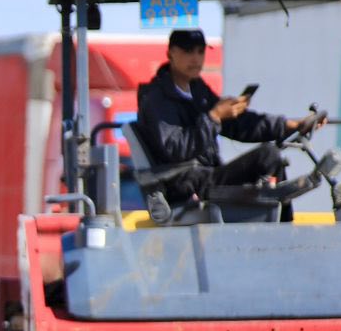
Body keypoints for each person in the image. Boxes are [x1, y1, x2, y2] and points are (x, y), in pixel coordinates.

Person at [136, 28, 319, 209]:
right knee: (267, 155)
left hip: (206, 176)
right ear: (171, 53)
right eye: (188, 51)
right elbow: (175, 149)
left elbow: (238, 125)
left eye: (200, 51)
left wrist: (290, 126)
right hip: (182, 183)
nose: (196, 58)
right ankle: (281, 230)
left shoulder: (197, 90)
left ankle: (283, 227)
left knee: (270, 158)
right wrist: (214, 117)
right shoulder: (156, 98)